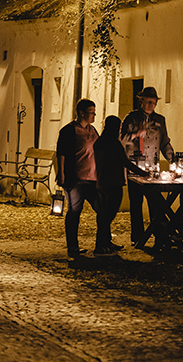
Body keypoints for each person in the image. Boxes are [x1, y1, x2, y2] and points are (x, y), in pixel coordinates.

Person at [120, 86, 174, 247]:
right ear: (141, 101)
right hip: (134, 169)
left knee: (156, 203)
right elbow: (121, 140)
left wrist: (173, 159)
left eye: (154, 102)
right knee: (136, 204)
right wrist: (135, 135)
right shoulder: (131, 118)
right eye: (148, 101)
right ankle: (138, 237)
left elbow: (164, 142)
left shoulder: (160, 120)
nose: (151, 105)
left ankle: (160, 236)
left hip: (152, 169)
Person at [55, 99, 101, 260]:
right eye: (91, 112)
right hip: (76, 179)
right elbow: (62, 153)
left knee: (102, 209)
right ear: (81, 113)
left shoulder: (92, 130)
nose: (94, 115)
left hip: (93, 178)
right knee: (74, 211)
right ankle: (72, 246)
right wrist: (61, 174)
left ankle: (103, 243)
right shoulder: (69, 131)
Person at [92, 115, 135, 255]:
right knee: (108, 216)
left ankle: (105, 242)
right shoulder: (114, 144)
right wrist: (144, 173)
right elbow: (125, 162)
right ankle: (100, 245)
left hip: (101, 183)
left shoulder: (99, 142)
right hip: (113, 183)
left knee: (103, 215)